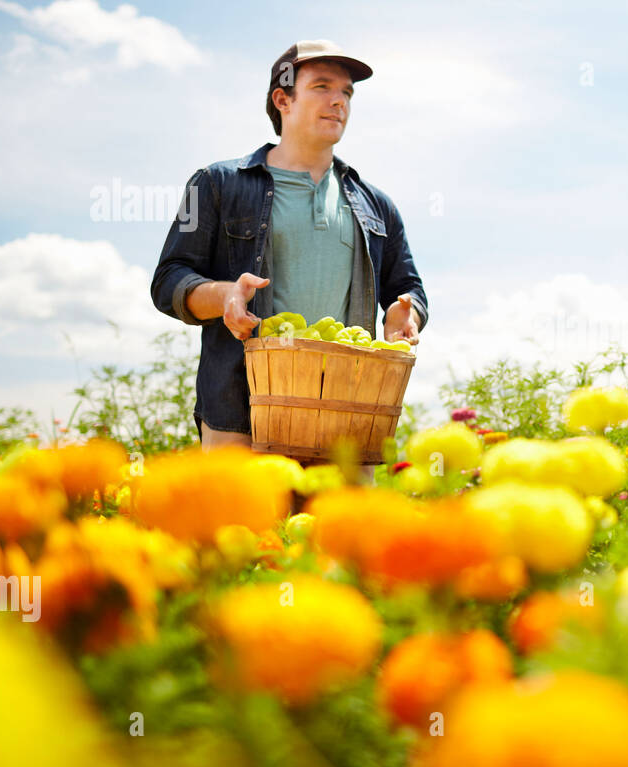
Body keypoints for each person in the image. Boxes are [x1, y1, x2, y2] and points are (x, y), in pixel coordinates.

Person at [151, 39, 428, 466]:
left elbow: (407, 288)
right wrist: (225, 296)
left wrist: (404, 313)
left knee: (339, 535)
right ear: (283, 99)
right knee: (243, 534)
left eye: (347, 93)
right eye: (322, 87)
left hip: (346, 419)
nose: (339, 101)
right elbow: (168, 279)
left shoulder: (378, 205)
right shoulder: (213, 183)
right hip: (239, 417)